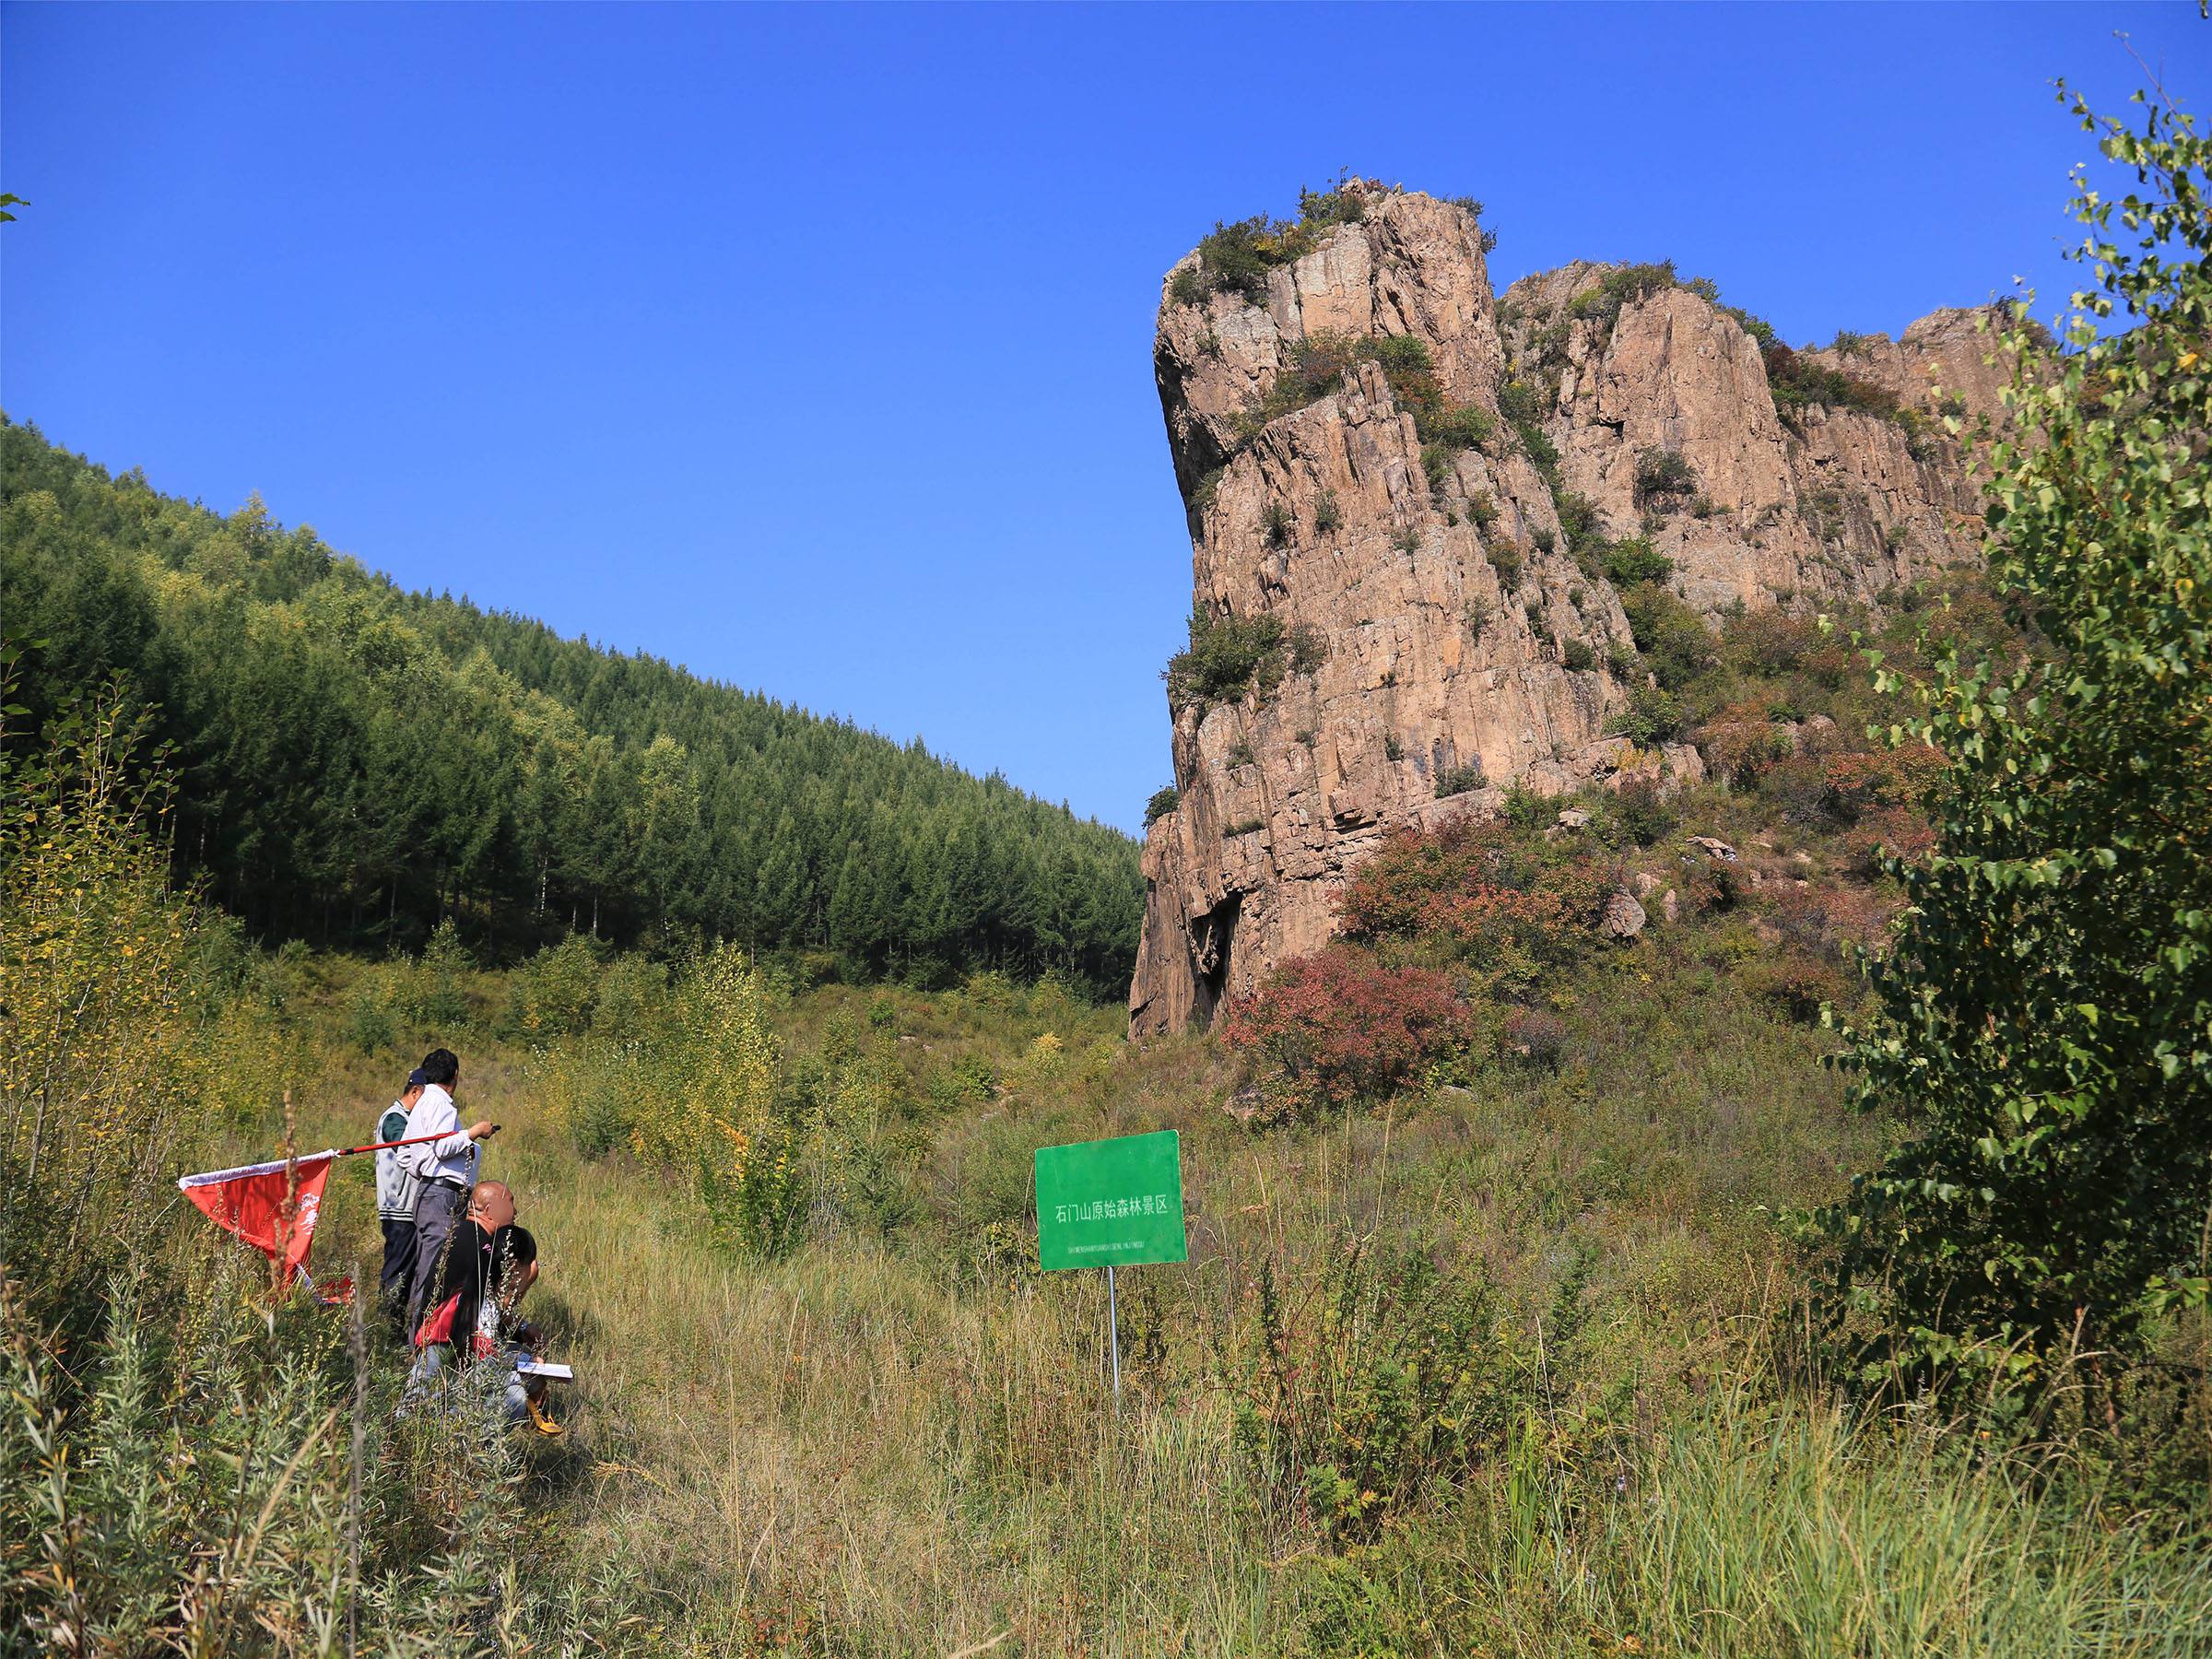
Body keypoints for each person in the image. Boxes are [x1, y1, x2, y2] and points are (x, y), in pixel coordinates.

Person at [403, 1180, 555, 1431]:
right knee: (511, 1399)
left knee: (523, 1368)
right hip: (445, 1343)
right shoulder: (480, 1246)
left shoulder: (468, 1235)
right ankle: (456, 1435)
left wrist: (520, 1329)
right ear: (491, 1209)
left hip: (450, 1339)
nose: (515, 1212)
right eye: (511, 1203)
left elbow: (487, 1308)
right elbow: (484, 1312)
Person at [396, 1048, 496, 1330]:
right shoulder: (440, 1103)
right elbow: (442, 1146)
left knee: (427, 1269)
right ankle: (421, 1343)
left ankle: (422, 1338)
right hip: (442, 1196)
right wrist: (474, 1132)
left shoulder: (422, 1104)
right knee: (433, 1273)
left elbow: (404, 1154)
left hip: (431, 1193)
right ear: (454, 1075)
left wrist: (427, 1172)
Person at [374, 1068, 428, 1328]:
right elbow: (407, 1146)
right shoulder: (395, 1118)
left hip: (410, 1210)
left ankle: (400, 1332)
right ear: (415, 1092)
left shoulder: (407, 1119)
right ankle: (387, 1331)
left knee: (409, 1275)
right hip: (398, 1210)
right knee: (397, 1274)